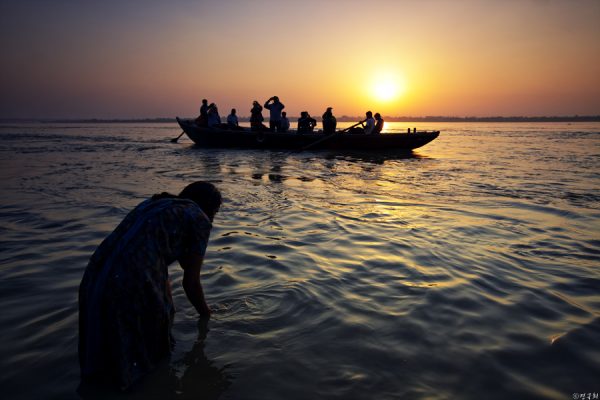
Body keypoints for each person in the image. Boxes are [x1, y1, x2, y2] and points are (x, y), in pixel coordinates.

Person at [78, 182, 222, 390]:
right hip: (133, 281)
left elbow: (155, 254)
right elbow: (191, 282)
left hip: (96, 274)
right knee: (149, 362)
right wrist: (207, 315)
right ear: (211, 208)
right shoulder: (198, 218)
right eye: (216, 212)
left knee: (107, 356)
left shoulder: (156, 203)